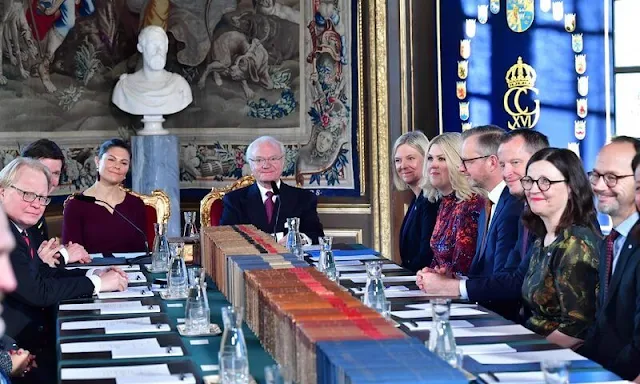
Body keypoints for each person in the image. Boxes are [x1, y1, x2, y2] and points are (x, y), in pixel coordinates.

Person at [0, 157, 128, 381]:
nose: (36, 204)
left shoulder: (19, 227)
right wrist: (97, 284)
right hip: (16, 352)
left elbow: (41, 273)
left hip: (32, 340)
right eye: (27, 194)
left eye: (42, 197)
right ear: (2, 192)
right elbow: (38, 292)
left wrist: (92, 274)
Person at [418, 129, 549, 321]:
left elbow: (512, 283)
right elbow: (502, 274)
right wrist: (455, 280)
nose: (506, 172)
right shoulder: (499, 203)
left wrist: (452, 286)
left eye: (515, 163)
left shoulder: (516, 207)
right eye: (504, 165)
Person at [520, 148, 600, 349]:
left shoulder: (575, 243)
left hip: (557, 360)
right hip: (533, 345)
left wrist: (530, 356)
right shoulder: (542, 238)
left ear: (571, 188)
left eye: (545, 182)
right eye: (529, 181)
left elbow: (577, 327)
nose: (534, 189)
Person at [579, 136, 640, 381]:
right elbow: (603, 327)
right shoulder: (611, 241)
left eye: (612, 177)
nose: (600, 186)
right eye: (596, 175)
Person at [220, 136, 324, 243]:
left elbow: (316, 235)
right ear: (250, 164)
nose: (266, 165)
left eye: (273, 159)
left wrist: (299, 239)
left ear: (283, 162)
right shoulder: (233, 200)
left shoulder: (304, 198)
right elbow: (226, 239)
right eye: (259, 160)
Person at [62, 139, 147, 254]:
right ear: (97, 162)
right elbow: (72, 253)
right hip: (90, 270)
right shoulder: (76, 205)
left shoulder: (136, 204)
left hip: (132, 269)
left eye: (124, 163)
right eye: (111, 160)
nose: (117, 166)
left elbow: (143, 250)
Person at [458, 125, 522, 276]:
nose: (461, 168)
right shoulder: (488, 203)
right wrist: (453, 280)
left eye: (467, 161)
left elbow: (502, 278)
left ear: (492, 162)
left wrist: (455, 287)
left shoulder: (514, 206)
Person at [420, 132, 484, 274]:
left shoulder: (471, 204)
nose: (433, 164)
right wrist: (429, 273)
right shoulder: (446, 202)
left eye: (442, 159)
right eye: (430, 158)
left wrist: (436, 278)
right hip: (442, 289)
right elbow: (438, 258)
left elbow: (463, 267)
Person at [21, 139, 91, 266]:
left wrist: (56, 252)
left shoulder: (39, 204)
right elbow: (21, 273)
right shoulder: (15, 209)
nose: (50, 180)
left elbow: (39, 260)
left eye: (55, 173)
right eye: (44, 171)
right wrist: (65, 256)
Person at [112, 25, 193, 116]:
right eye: (153, 44)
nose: (158, 51)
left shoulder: (180, 86)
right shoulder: (124, 87)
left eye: (161, 45)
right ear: (140, 48)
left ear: (166, 48)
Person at [392, 131, 439, 272]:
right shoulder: (417, 198)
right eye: (397, 160)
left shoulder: (431, 200)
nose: (403, 166)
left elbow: (426, 256)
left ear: (426, 159)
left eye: (410, 158)